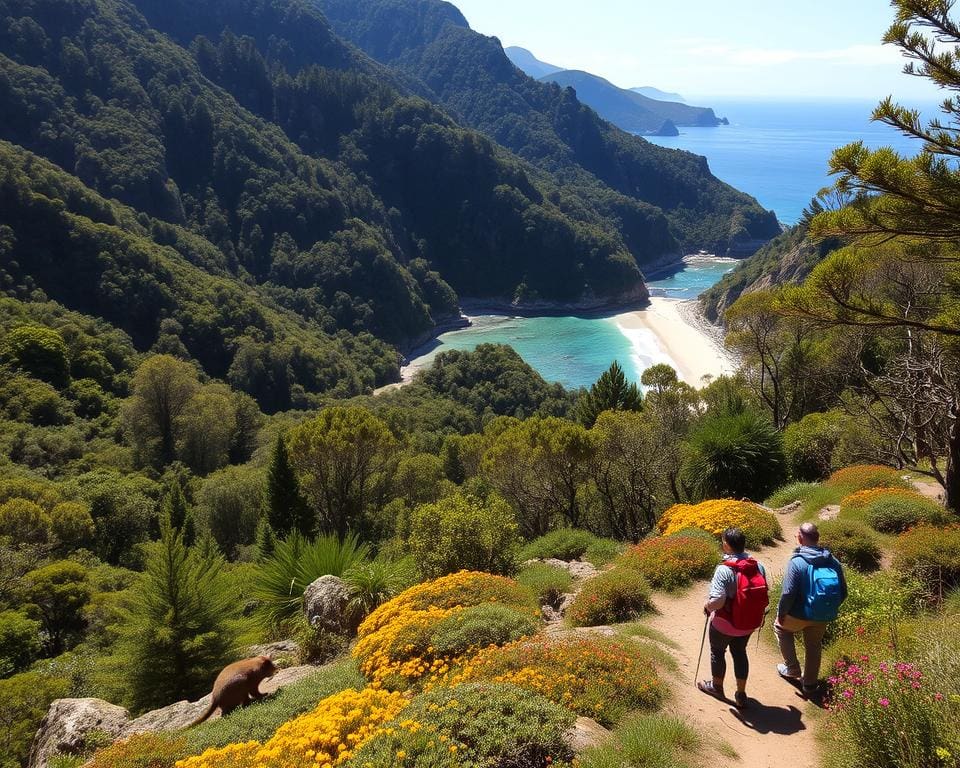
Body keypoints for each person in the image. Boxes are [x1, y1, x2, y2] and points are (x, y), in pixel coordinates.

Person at [698, 527, 769, 708]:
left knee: (717, 652)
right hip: (748, 623)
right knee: (739, 653)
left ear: (726, 545)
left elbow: (718, 600)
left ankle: (717, 687)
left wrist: (707, 606)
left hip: (725, 623)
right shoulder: (758, 566)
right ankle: (741, 693)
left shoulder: (723, 569)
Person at [775, 521, 848, 697]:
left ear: (800, 538)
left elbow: (788, 593)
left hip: (798, 614)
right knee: (814, 646)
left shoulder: (797, 562)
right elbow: (843, 592)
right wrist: (827, 608)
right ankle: (809, 684)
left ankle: (792, 668)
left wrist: (781, 613)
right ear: (817, 538)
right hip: (823, 615)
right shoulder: (833, 561)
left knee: (780, 629)